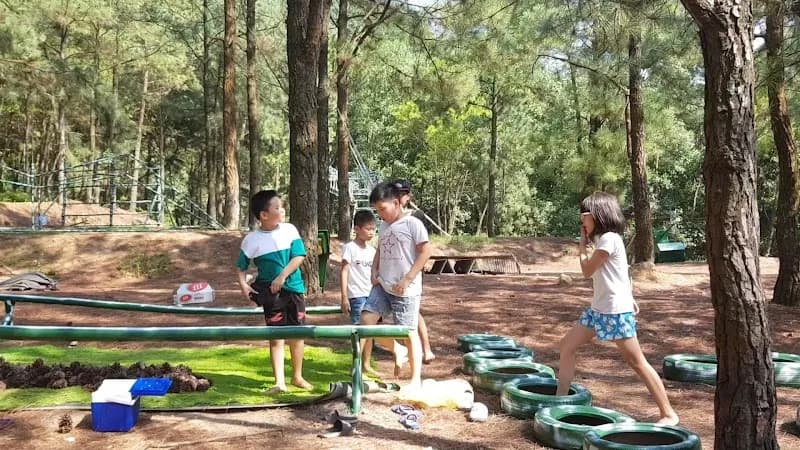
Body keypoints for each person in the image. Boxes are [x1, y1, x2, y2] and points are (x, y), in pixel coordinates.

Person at [556, 191, 679, 425]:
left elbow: (587, 271)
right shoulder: (606, 240)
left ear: (598, 214)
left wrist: (582, 247)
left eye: (584, 215)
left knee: (637, 362)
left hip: (614, 312)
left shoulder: (609, 239)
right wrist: (630, 295)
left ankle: (668, 413)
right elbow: (623, 271)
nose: (582, 221)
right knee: (566, 346)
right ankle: (560, 401)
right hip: (598, 310)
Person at [236, 190, 313, 394]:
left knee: (298, 334)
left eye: (282, 206)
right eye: (277, 207)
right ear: (264, 215)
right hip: (271, 295)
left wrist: (282, 277)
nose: (283, 210)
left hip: (294, 290)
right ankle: (279, 382)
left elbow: (299, 256)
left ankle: (297, 376)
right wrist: (244, 286)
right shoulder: (251, 240)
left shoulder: (289, 230)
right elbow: (241, 267)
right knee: (276, 336)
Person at [360, 182, 433, 388]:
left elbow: (426, 252)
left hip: (406, 290)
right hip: (383, 286)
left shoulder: (413, 224)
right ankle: (368, 364)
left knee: (408, 333)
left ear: (395, 203)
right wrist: (374, 270)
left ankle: (415, 379)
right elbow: (380, 250)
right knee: (365, 321)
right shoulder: (384, 226)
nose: (379, 214)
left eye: (382, 209)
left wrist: (408, 278)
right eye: (376, 210)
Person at [390, 179, 436, 364]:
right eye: (394, 194)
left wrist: (411, 274)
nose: (397, 197)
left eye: (400, 194)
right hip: (394, 271)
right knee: (410, 313)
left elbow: (423, 246)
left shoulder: (416, 217)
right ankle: (408, 349)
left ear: (407, 197)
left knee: (414, 312)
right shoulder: (389, 217)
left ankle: (424, 349)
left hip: (411, 272)